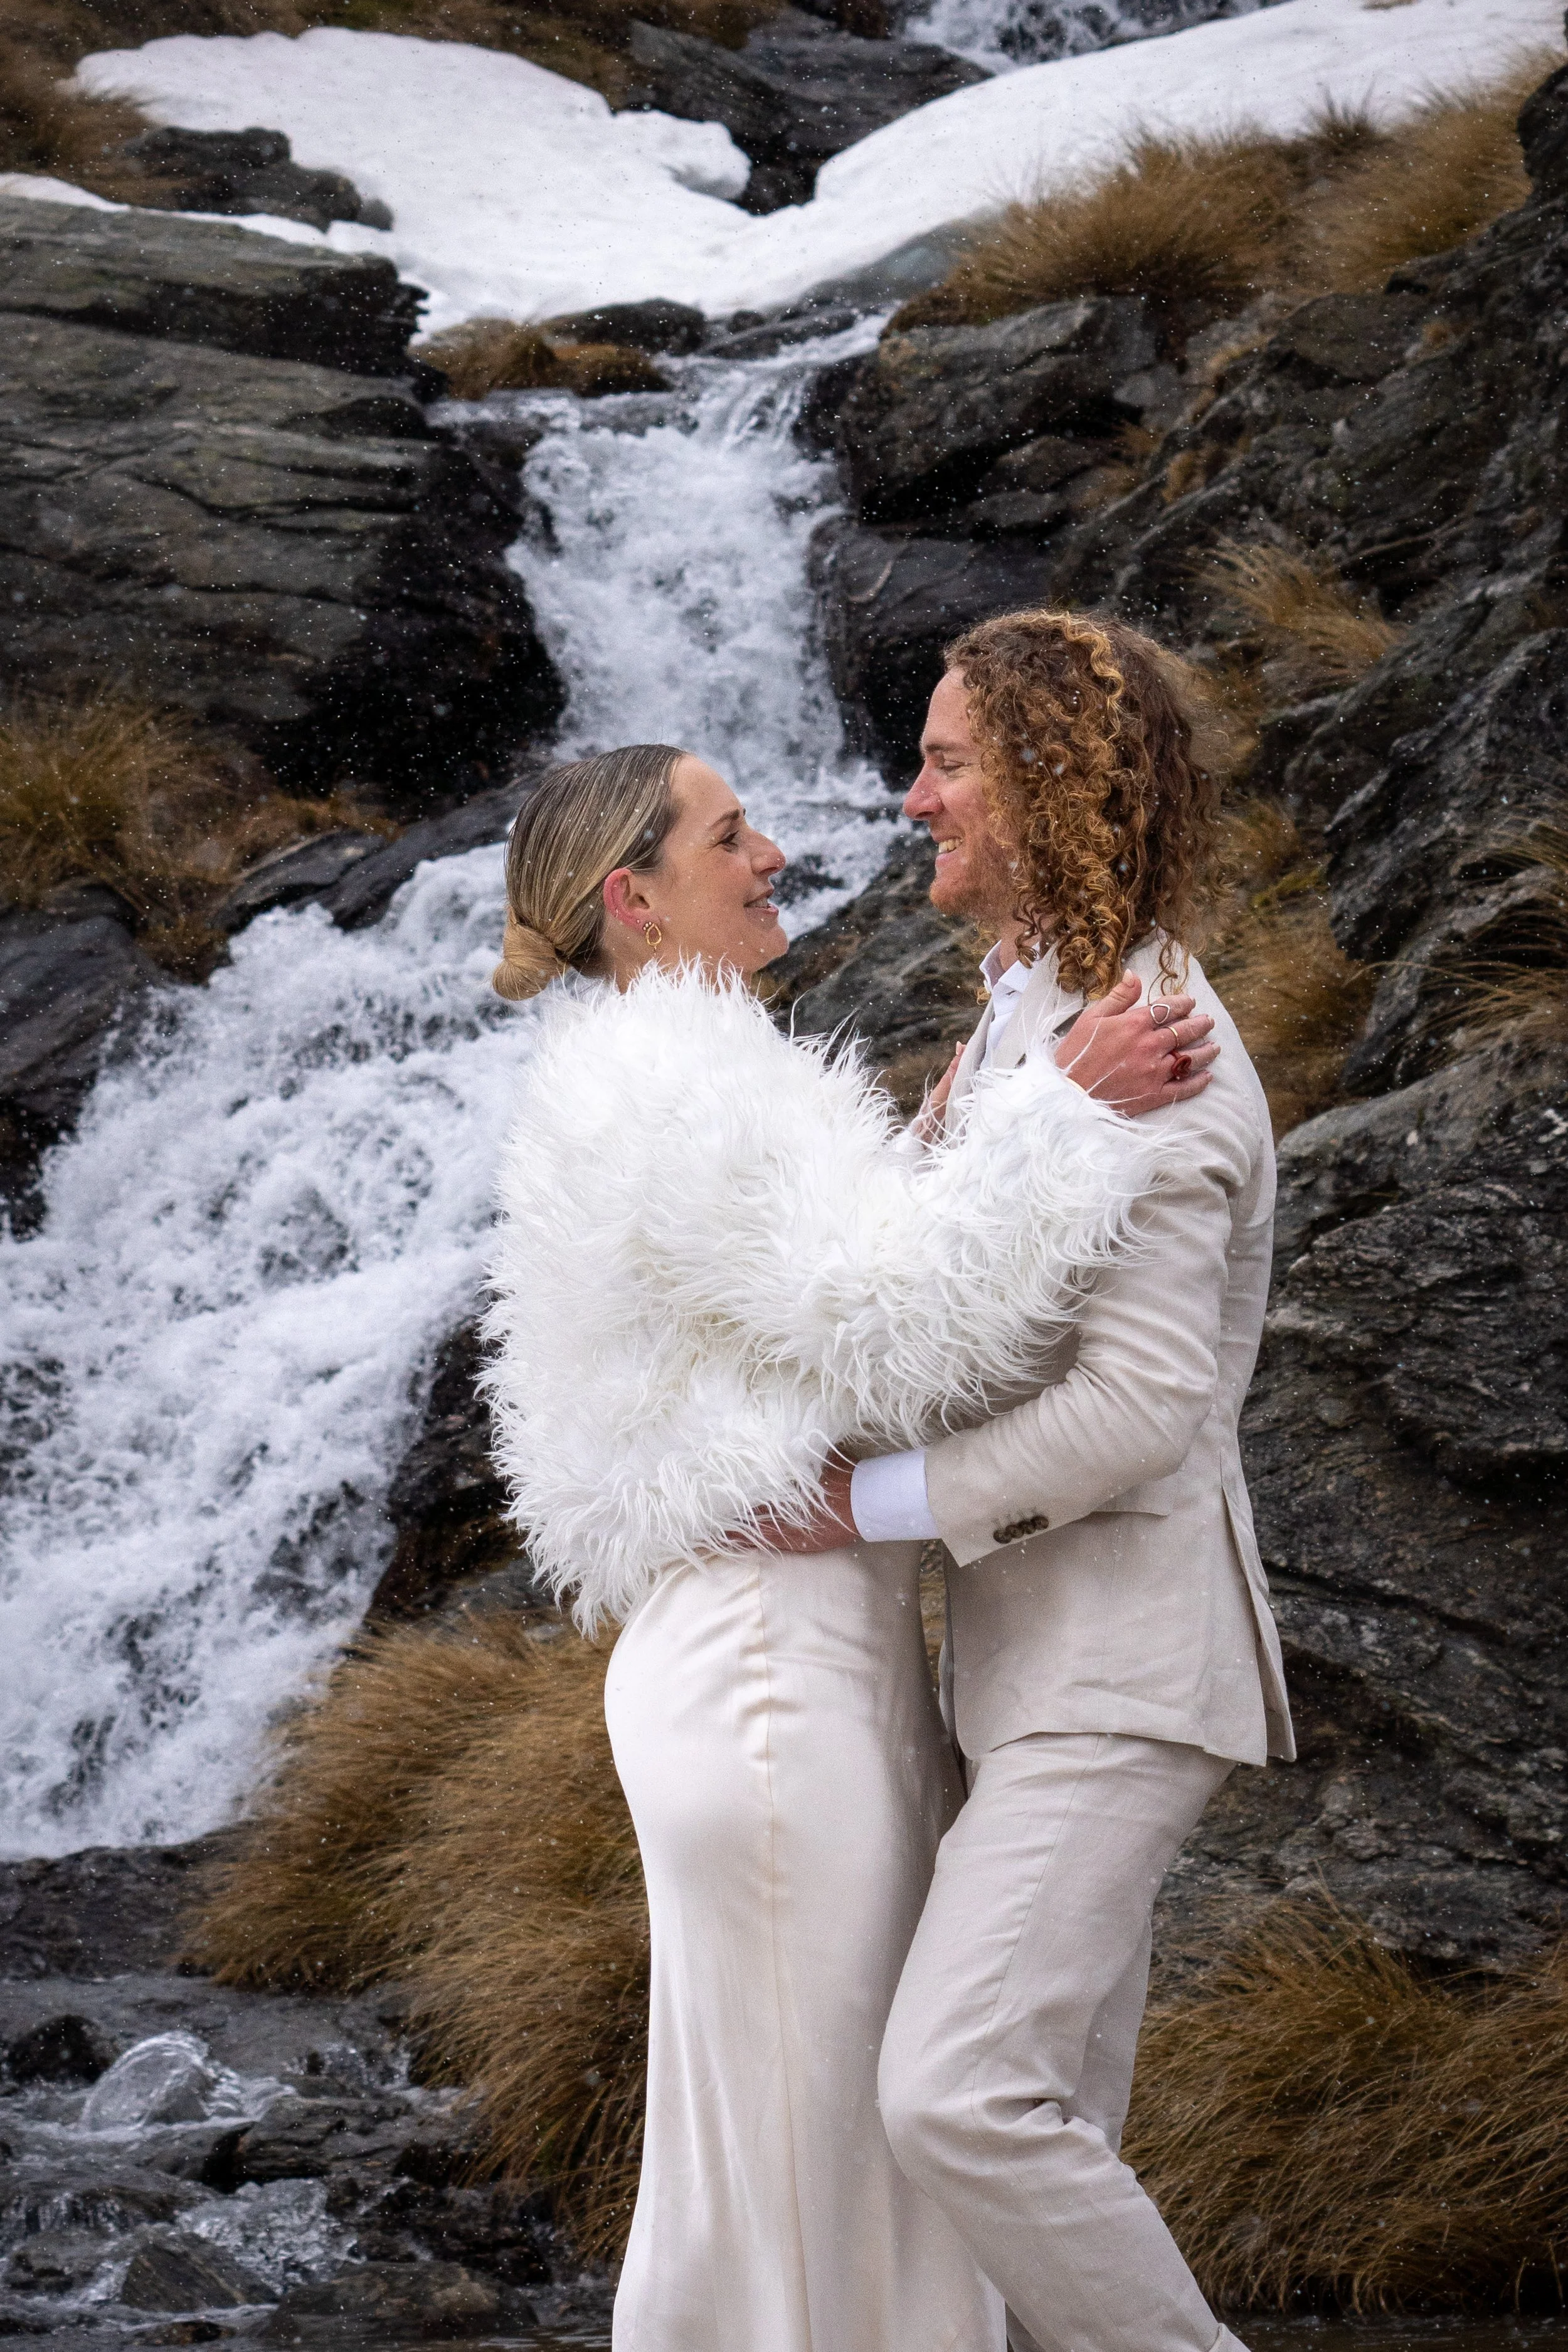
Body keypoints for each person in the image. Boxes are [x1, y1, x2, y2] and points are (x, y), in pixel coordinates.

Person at [484, 737, 1218, 2352]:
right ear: (634, 895)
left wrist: (965, 1142)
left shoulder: (682, 1066)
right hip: (765, 1674)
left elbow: (813, 1306)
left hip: (796, 1657)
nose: (773, 857)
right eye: (729, 835)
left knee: (785, 2167)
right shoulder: (675, 1077)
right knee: (819, 2173)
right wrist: (1067, 1113)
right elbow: (882, 1328)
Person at [771, 609, 1295, 2352]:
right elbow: (912, 1267)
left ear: (1044, 786)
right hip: (1027, 1675)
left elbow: (1139, 1405)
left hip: (1118, 1674)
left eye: (945, 762)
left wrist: (864, 1505)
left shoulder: (1156, 1051)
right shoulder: (1028, 1021)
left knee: (960, 2097)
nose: (912, 795)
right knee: (1038, 2166)